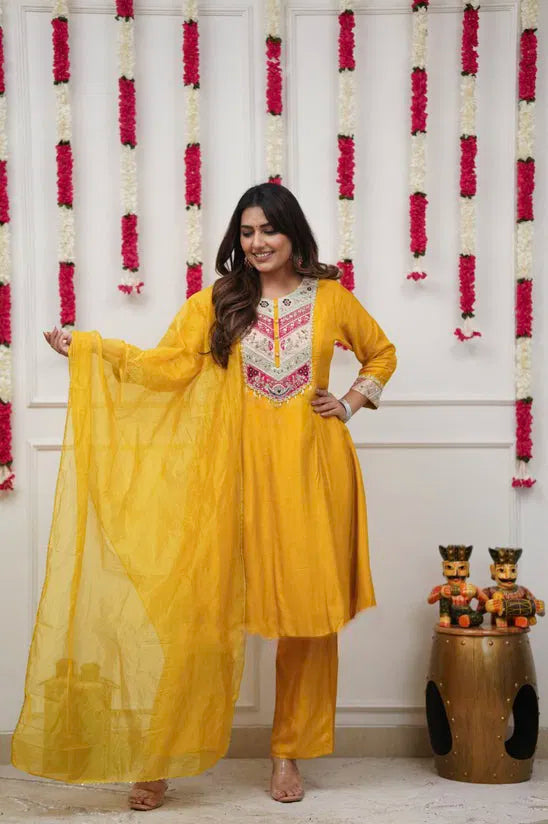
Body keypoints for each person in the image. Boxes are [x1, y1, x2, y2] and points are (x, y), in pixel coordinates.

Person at [12, 183, 396, 811]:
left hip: (312, 473)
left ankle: (287, 751)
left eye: (268, 230)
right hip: (231, 478)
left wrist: (352, 402)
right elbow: (166, 366)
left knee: (307, 621)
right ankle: (162, 756)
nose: (257, 243)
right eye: (247, 232)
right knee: (199, 617)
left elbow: (382, 353)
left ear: (293, 233)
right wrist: (94, 348)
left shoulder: (330, 298)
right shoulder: (220, 301)